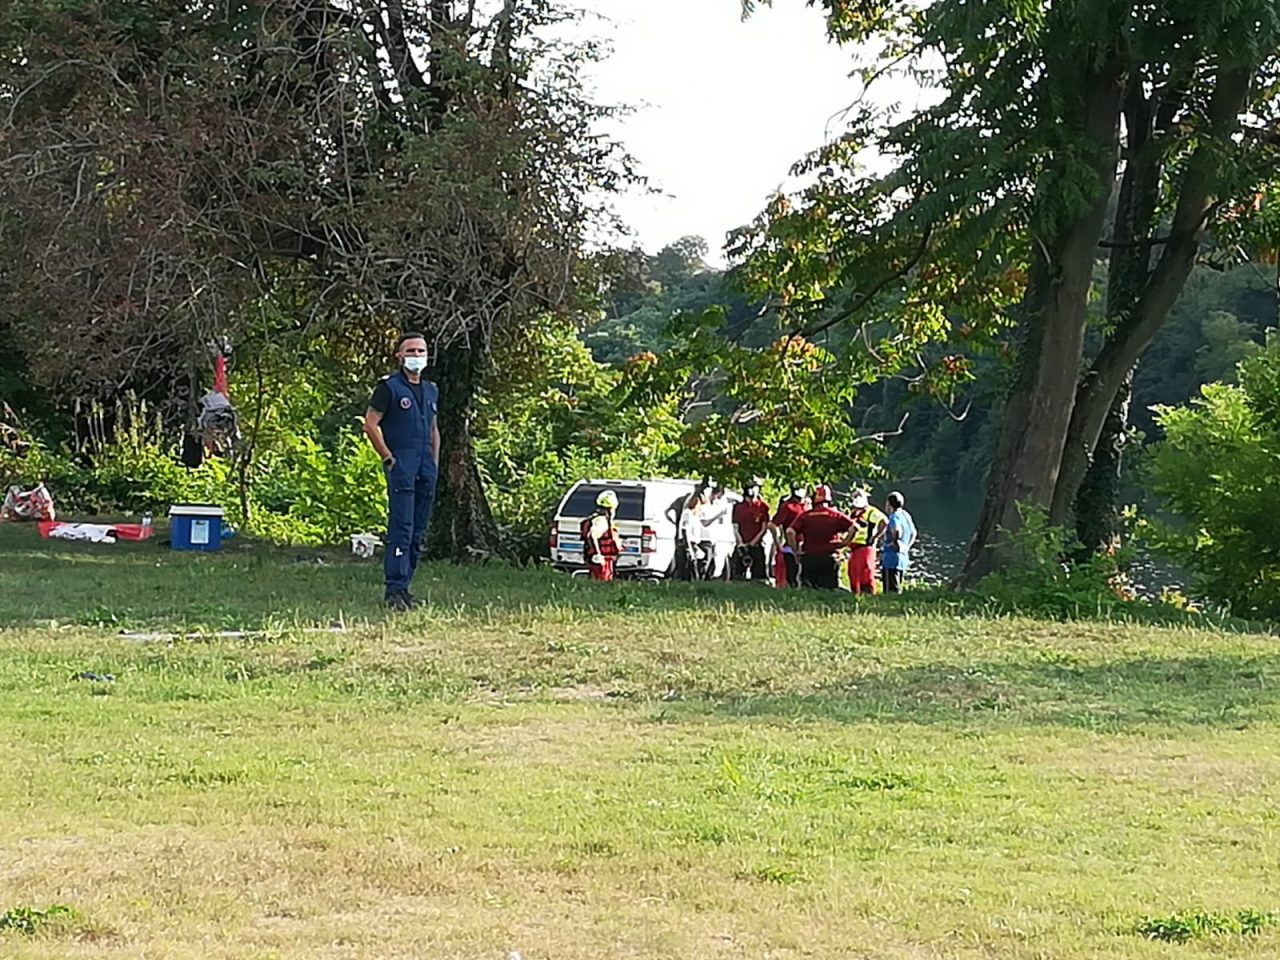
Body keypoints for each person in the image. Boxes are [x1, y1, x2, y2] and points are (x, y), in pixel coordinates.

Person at [364, 333, 441, 611]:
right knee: (402, 528)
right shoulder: (389, 388)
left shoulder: (431, 390)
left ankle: (406, 586)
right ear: (399, 356)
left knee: (418, 531)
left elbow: (433, 429)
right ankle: (394, 589)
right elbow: (370, 424)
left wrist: (435, 461)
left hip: (425, 466)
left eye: (421, 351)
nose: (416, 355)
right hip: (402, 464)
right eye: (410, 351)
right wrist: (388, 457)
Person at [789, 484, 855, 590]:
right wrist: (844, 543)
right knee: (829, 590)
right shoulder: (835, 515)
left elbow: (790, 532)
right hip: (830, 558)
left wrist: (795, 551)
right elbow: (854, 528)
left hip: (810, 557)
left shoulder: (805, 516)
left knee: (808, 590)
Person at [845, 489, 888, 595]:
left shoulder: (871, 512)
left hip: (865, 548)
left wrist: (876, 536)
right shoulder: (854, 513)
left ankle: (868, 595)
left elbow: (884, 522)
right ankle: (856, 594)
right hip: (854, 549)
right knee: (853, 573)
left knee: (866, 574)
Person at [731, 478, 770, 581]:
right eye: (751, 487)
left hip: (756, 545)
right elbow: (735, 527)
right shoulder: (738, 507)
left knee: (758, 578)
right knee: (737, 576)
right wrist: (741, 543)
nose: (754, 490)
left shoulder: (763, 506)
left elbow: (764, 528)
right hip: (741, 546)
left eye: (756, 488)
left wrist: (753, 542)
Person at [771, 484, 809, 588]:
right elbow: (772, 525)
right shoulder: (788, 506)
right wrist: (778, 544)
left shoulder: (807, 506)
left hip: (807, 547)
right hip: (791, 547)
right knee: (792, 579)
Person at [881, 491, 918, 594]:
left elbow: (897, 530)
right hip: (902, 558)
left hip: (891, 559)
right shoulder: (905, 515)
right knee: (897, 586)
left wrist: (895, 542)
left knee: (890, 590)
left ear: (889, 504)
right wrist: (906, 547)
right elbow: (914, 533)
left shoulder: (894, 517)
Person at [582, 489, 621, 582]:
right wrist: (598, 554)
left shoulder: (602, 520)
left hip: (605, 560)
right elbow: (592, 535)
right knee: (601, 584)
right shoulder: (601, 521)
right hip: (601, 562)